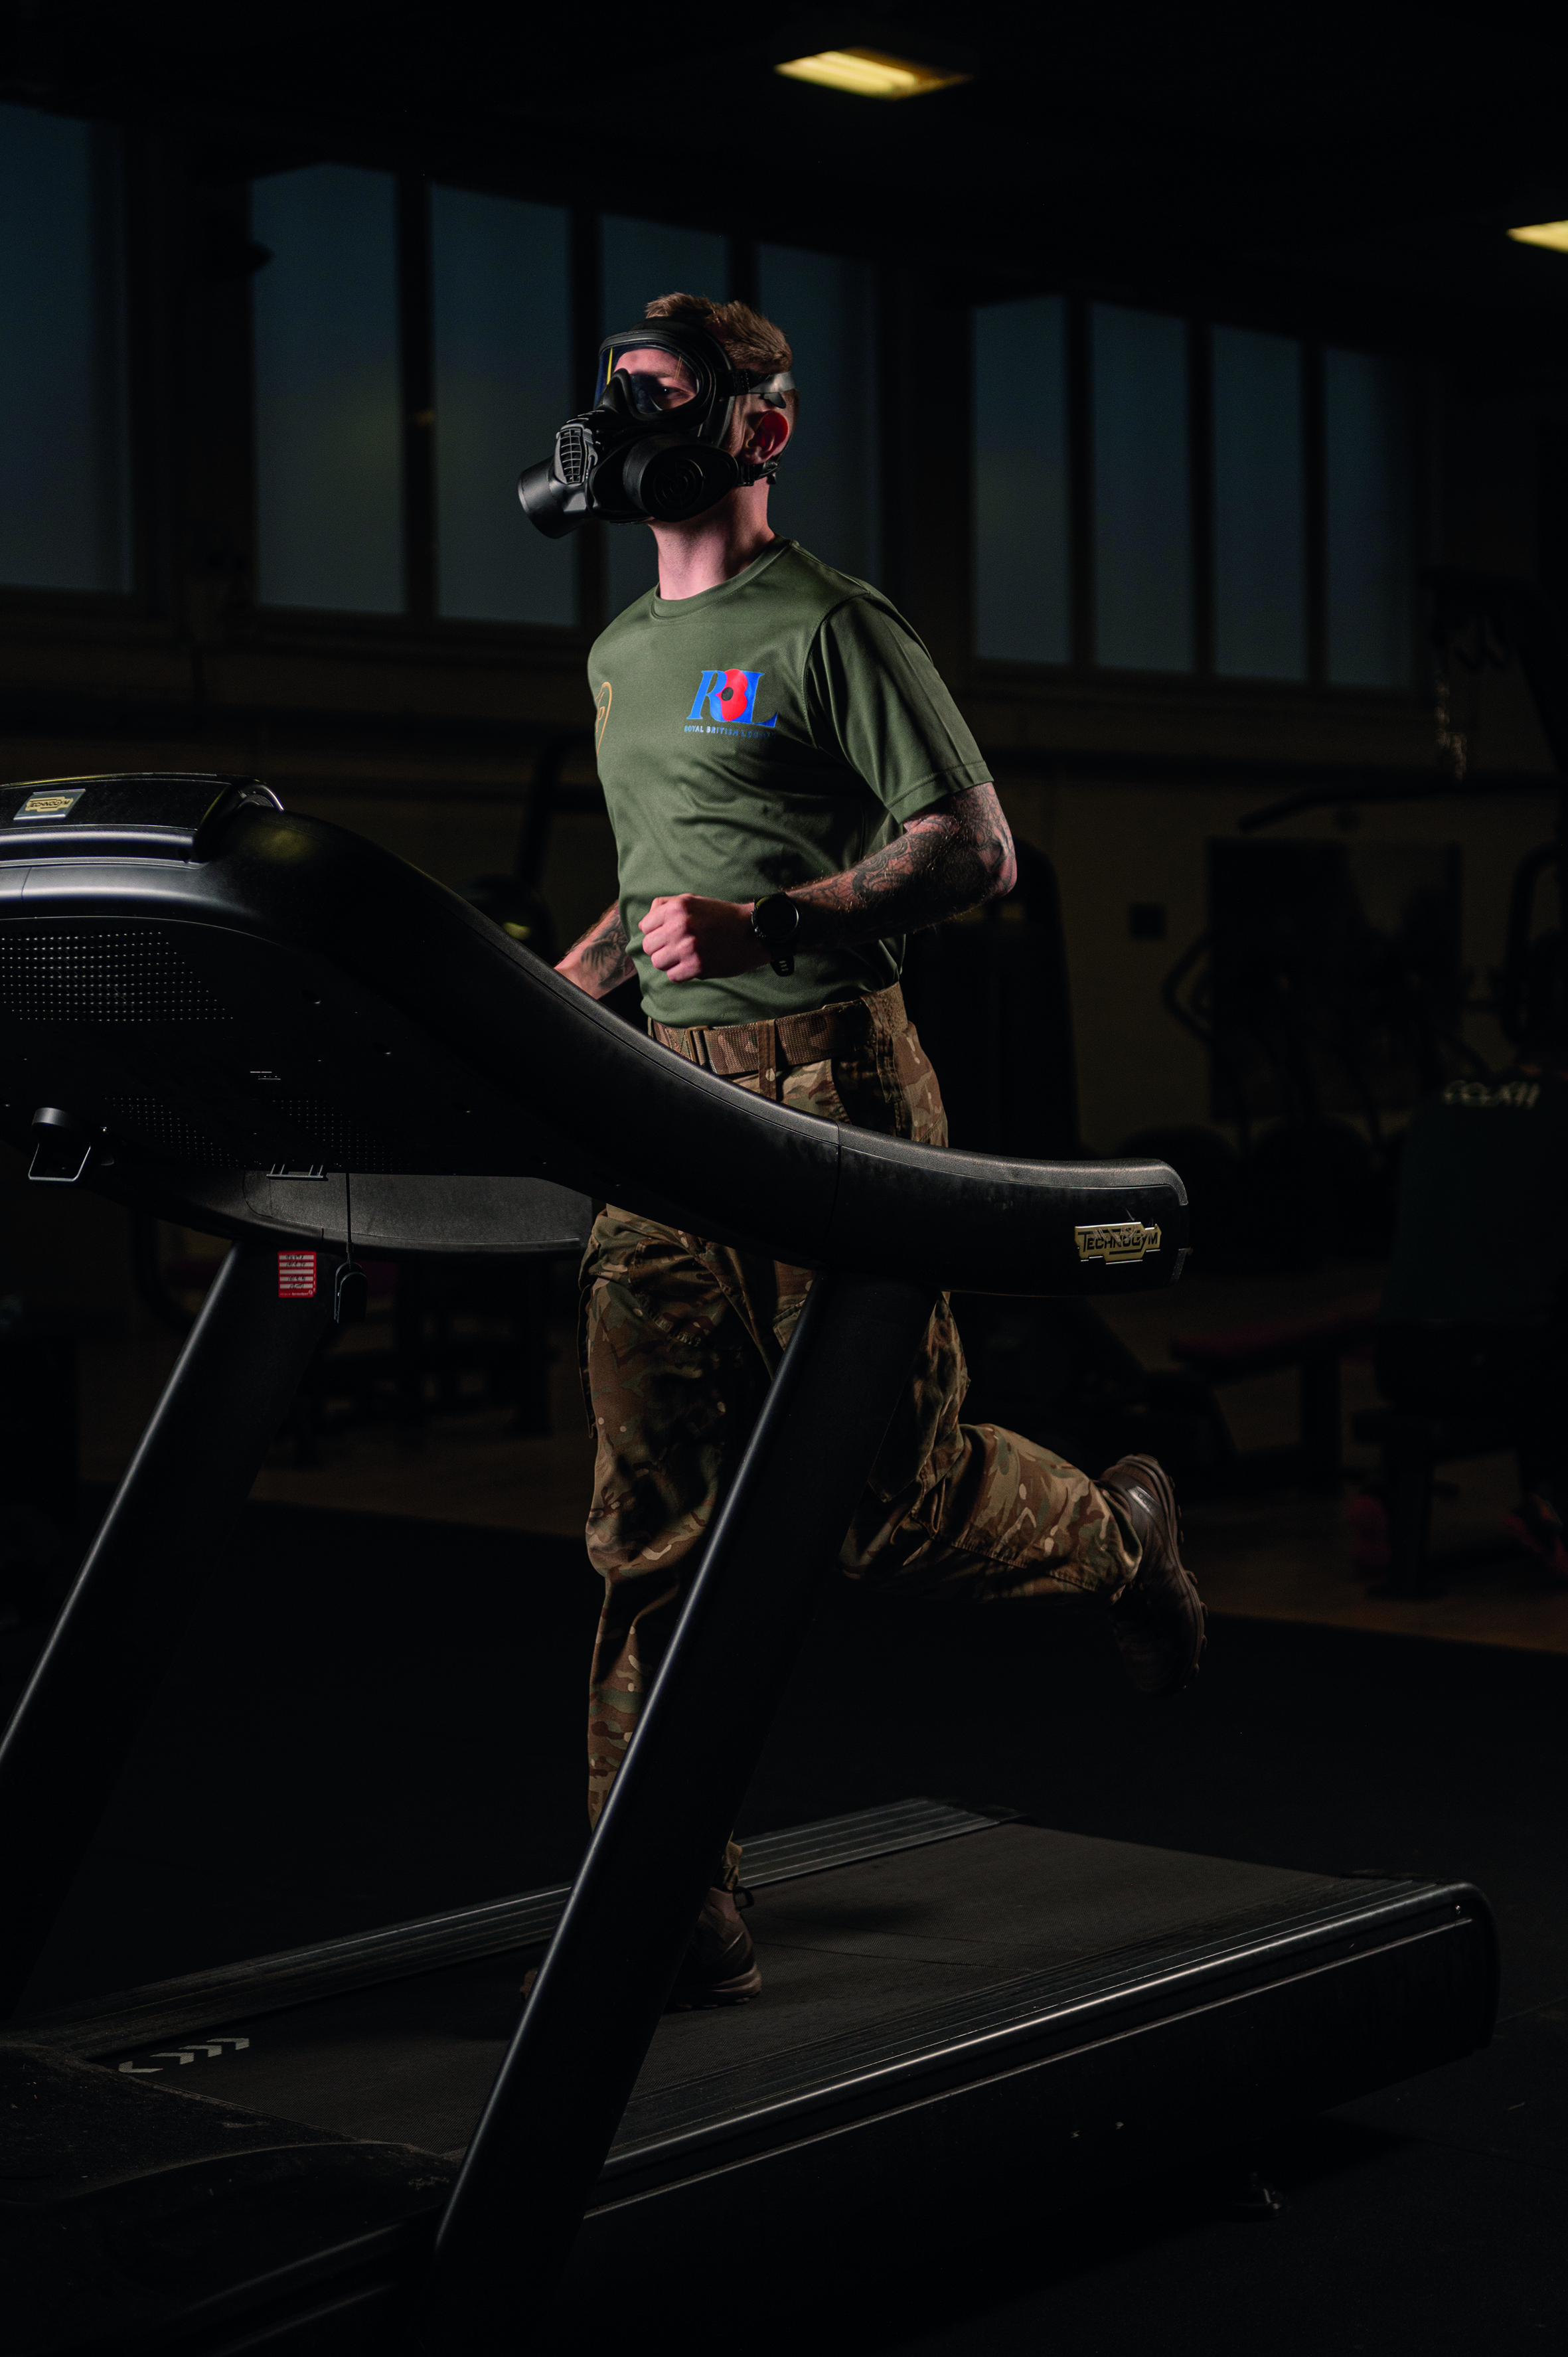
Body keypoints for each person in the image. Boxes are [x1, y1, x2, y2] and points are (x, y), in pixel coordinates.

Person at [552, 292, 1205, 2006]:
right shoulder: (622, 648)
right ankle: (662, 1887)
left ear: (758, 428)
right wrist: (559, 988)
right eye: (617, 394)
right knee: (645, 1516)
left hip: (831, 1080)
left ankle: (1124, 1543)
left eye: (667, 395)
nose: (630, 422)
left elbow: (975, 852)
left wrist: (769, 909)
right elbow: (648, 889)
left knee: (890, 1503)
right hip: (663, 1101)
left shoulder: (831, 623)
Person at [1352, 973, 1568, 1580]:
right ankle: (1553, 1509)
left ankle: (1390, 1494)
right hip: (1499, 1364)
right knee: (1539, 1337)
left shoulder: (1439, 1104)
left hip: (1399, 1359)